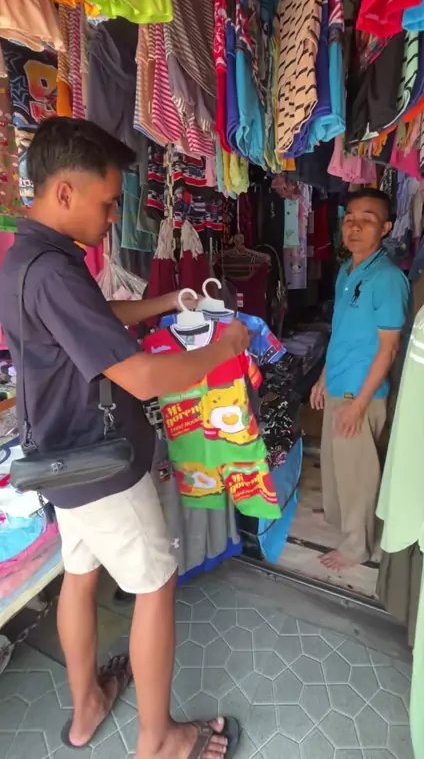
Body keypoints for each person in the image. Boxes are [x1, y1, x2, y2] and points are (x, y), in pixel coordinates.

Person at [0, 117, 249, 759]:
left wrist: (163, 304)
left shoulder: (29, 258)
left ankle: (86, 710)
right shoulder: (55, 270)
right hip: (100, 464)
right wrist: (223, 348)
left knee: (80, 575)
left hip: (60, 457)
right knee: (155, 585)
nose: (115, 217)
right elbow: (140, 377)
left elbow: (93, 322)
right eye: (108, 202)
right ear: (65, 192)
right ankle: (159, 740)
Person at [310, 189, 409, 572]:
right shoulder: (346, 272)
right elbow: (340, 331)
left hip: (361, 392)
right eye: (350, 218)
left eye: (367, 219)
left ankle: (357, 547)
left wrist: (360, 404)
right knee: (340, 467)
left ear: (385, 228)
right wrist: (322, 377)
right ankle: (346, 524)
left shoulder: (388, 278)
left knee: (359, 475)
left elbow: (389, 348)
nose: (354, 226)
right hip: (339, 382)